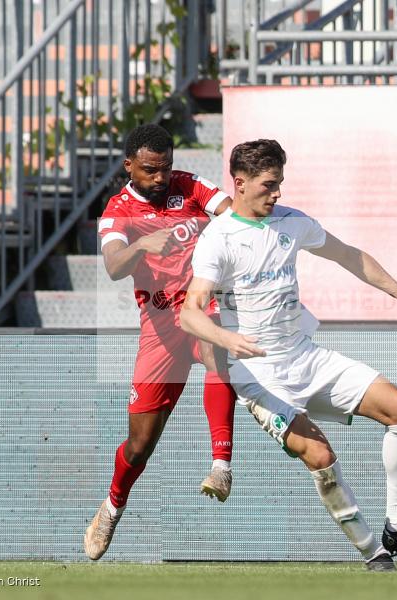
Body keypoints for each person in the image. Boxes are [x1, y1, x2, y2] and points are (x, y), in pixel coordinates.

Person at [179, 139, 397, 571]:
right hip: (260, 374)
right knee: (320, 457)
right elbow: (190, 314)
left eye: (280, 184)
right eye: (269, 185)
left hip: (306, 357)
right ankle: (373, 555)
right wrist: (227, 341)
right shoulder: (218, 239)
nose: (278, 193)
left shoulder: (292, 222)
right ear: (241, 183)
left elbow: (350, 256)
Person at [84, 124, 237, 560]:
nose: (160, 178)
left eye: (165, 168)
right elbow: (113, 265)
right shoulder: (117, 211)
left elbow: (230, 212)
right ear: (128, 165)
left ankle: (220, 466)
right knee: (140, 443)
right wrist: (142, 244)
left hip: (199, 307)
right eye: (150, 170)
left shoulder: (188, 186)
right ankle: (112, 507)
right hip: (158, 327)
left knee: (215, 350)